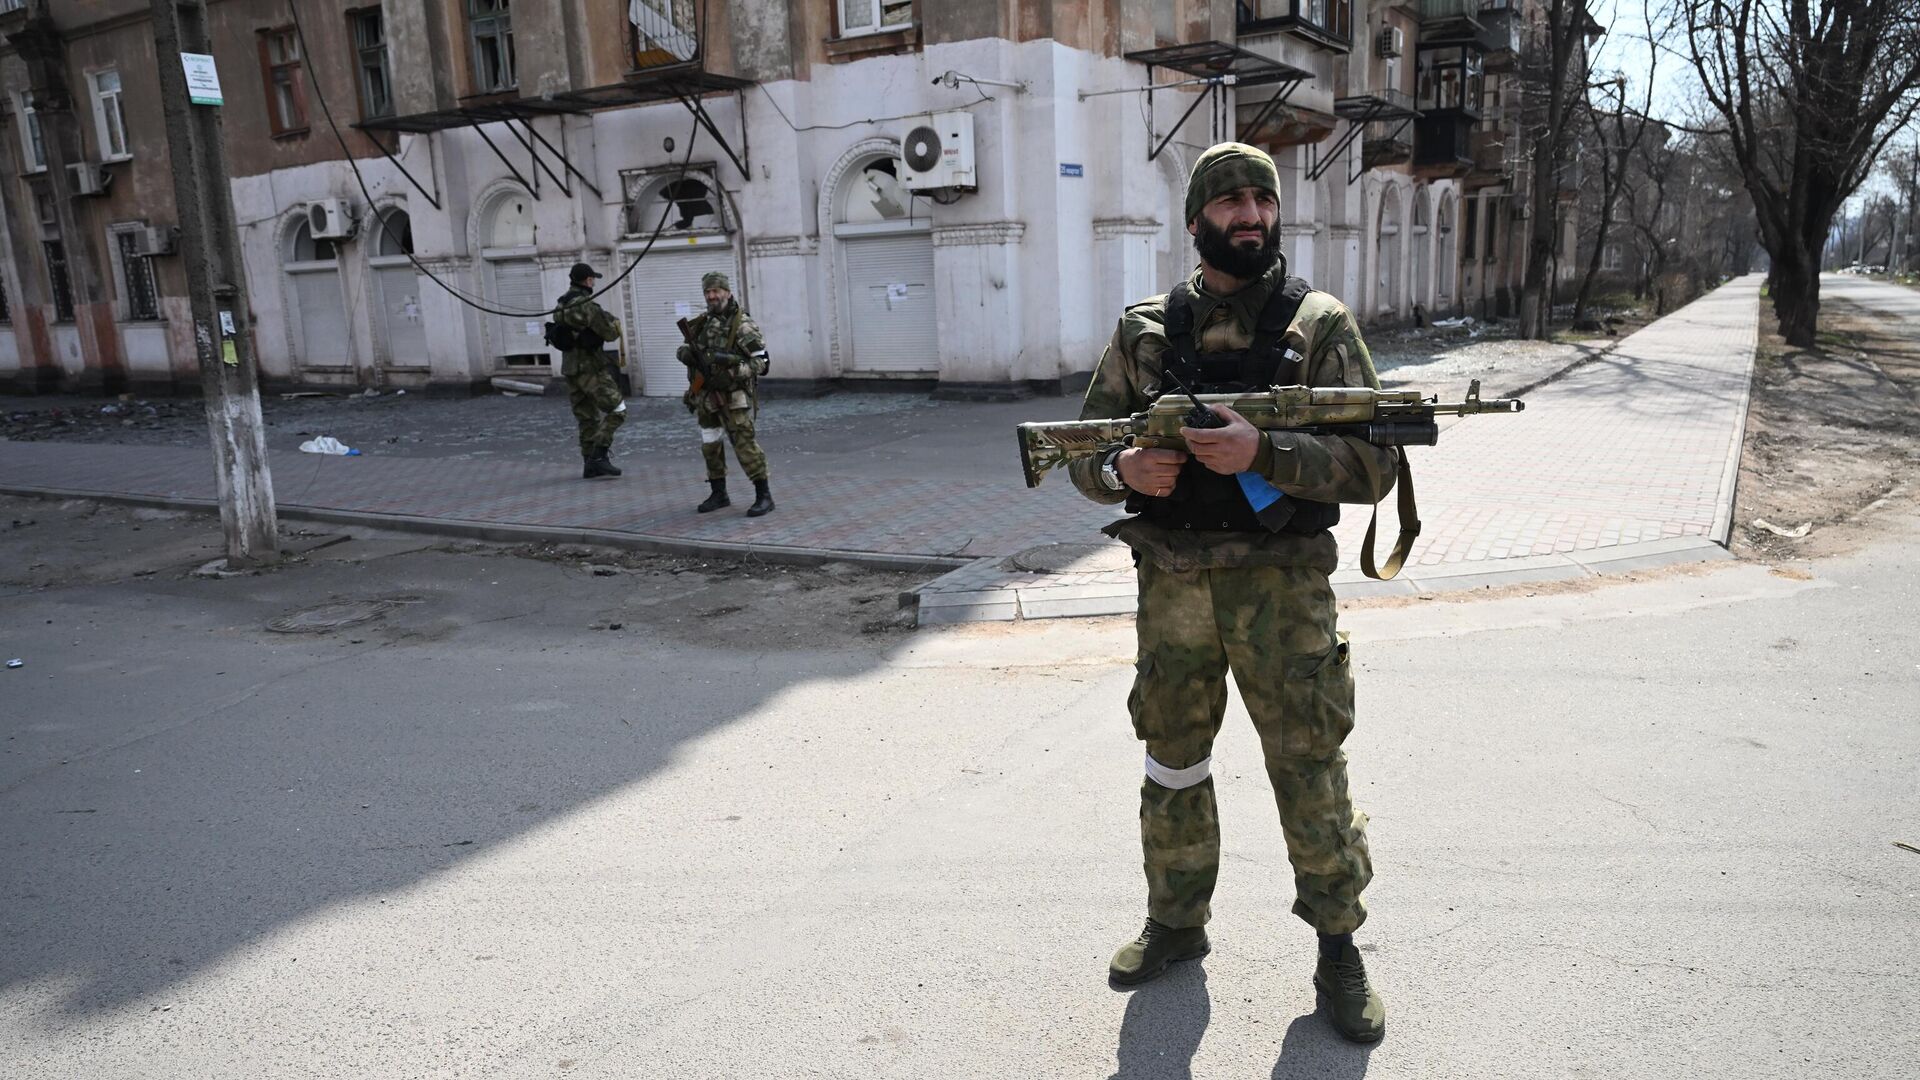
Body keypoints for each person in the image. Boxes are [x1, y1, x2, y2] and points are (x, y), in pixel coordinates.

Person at [1068, 142, 1394, 1044]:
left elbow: (1376, 464)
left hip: (1283, 591)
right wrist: (1122, 467)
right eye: (1230, 201)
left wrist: (1266, 455)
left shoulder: (1319, 327)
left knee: (1308, 767)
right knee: (1172, 762)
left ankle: (1338, 945)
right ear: (1196, 221)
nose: (1249, 214)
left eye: (1262, 199)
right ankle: (1176, 921)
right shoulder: (1144, 331)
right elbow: (1081, 456)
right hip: (1172, 590)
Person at [678, 271, 774, 516]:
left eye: (716, 291)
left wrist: (732, 373)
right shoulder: (702, 323)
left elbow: (762, 364)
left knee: (744, 444)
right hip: (706, 397)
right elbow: (685, 350)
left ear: (727, 292)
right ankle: (718, 493)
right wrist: (685, 354)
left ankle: (764, 495)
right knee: (710, 444)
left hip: (732, 398)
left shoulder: (742, 325)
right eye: (708, 292)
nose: (712, 296)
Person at [555, 263, 626, 479]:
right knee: (618, 410)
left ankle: (589, 464)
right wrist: (614, 322)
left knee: (587, 417)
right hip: (591, 369)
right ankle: (599, 455)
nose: (594, 283)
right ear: (587, 280)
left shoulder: (561, 304)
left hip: (570, 369)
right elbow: (610, 332)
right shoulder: (588, 306)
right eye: (592, 279)